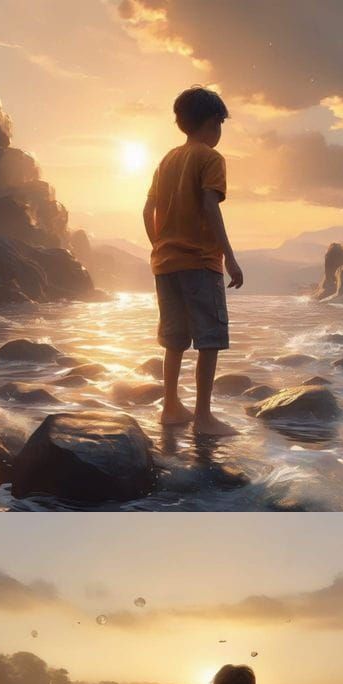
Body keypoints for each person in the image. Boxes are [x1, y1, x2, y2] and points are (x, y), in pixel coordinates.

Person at [143, 86, 244, 436]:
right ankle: (203, 417)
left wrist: (160, 245)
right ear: (214, 121)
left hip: (165, 264)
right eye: (220, 123)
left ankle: (170, 407)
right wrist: (229, 258)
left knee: (174, 339)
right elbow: (209, 206)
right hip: (200, 263)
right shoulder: (210, 158)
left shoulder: (166, 160)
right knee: (210, 339)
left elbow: (148, 210)